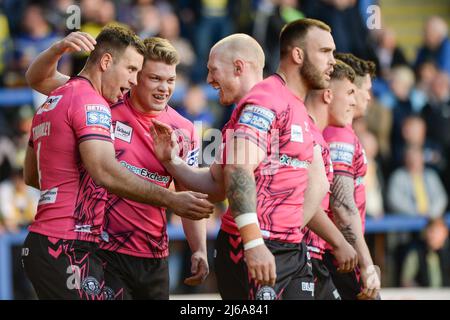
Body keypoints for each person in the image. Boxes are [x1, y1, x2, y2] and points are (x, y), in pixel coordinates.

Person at [151, 19, 357, 300]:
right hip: (255, 247)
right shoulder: (264, 100)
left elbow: (318, 185)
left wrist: (290, 232)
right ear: (298, 55)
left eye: (213, 71)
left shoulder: (290, 104)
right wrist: (255, 240)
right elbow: (234, 171)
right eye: (325, 51)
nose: (333, 61)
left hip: (286, 248)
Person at [22, 25, 213, 300]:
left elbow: (186, 192)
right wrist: (58, 47)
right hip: (101, 250)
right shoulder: (102, 100)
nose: (163, 87)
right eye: (151, 77)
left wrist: (199, 249)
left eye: (170, 80)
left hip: (152, 255)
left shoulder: (184, 130)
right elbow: (37, 78)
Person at [323, 52, 381, 300]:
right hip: (340, 255)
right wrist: (367, 264)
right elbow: (342, 205)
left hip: (335, 251)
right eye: (363, 89)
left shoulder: (339, 131)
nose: (368, 96)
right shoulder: (339, 135)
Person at [303, 59, 358, 300]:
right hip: (301, 254)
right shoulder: (317, 136)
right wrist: (343, 245)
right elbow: (303, 202)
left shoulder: (318, 136)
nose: (355, 101)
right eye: (351, 92)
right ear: (328, 95)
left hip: (310, 253)